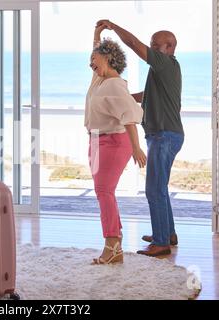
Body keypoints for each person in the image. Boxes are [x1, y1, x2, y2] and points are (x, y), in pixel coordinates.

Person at [96, 20, 184, 257]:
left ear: (169, 48)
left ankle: (161, 243)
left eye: (156, 45)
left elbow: (134, 44)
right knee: (160, 187)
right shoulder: (164, 71)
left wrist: (113, 27)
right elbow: (147, 96)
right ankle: (167, 234)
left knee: (154, 189)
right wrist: (122, 94)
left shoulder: (164, 64)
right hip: (166, 135)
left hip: (164, 135)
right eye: (153, 45)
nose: (152, 48)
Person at [86, 24, 146, 265]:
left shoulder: (114, 84)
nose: (91, 62)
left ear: (108, 59)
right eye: (90, 59)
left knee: (104, 192)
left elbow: (129, 116)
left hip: (113, 142)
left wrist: (137, 147)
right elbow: (96, 53)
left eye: (95, 59)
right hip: (97, 140)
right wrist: (96, 37)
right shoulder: (99, 79)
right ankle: (115, 246)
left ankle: (112, 245)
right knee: (103, 192)